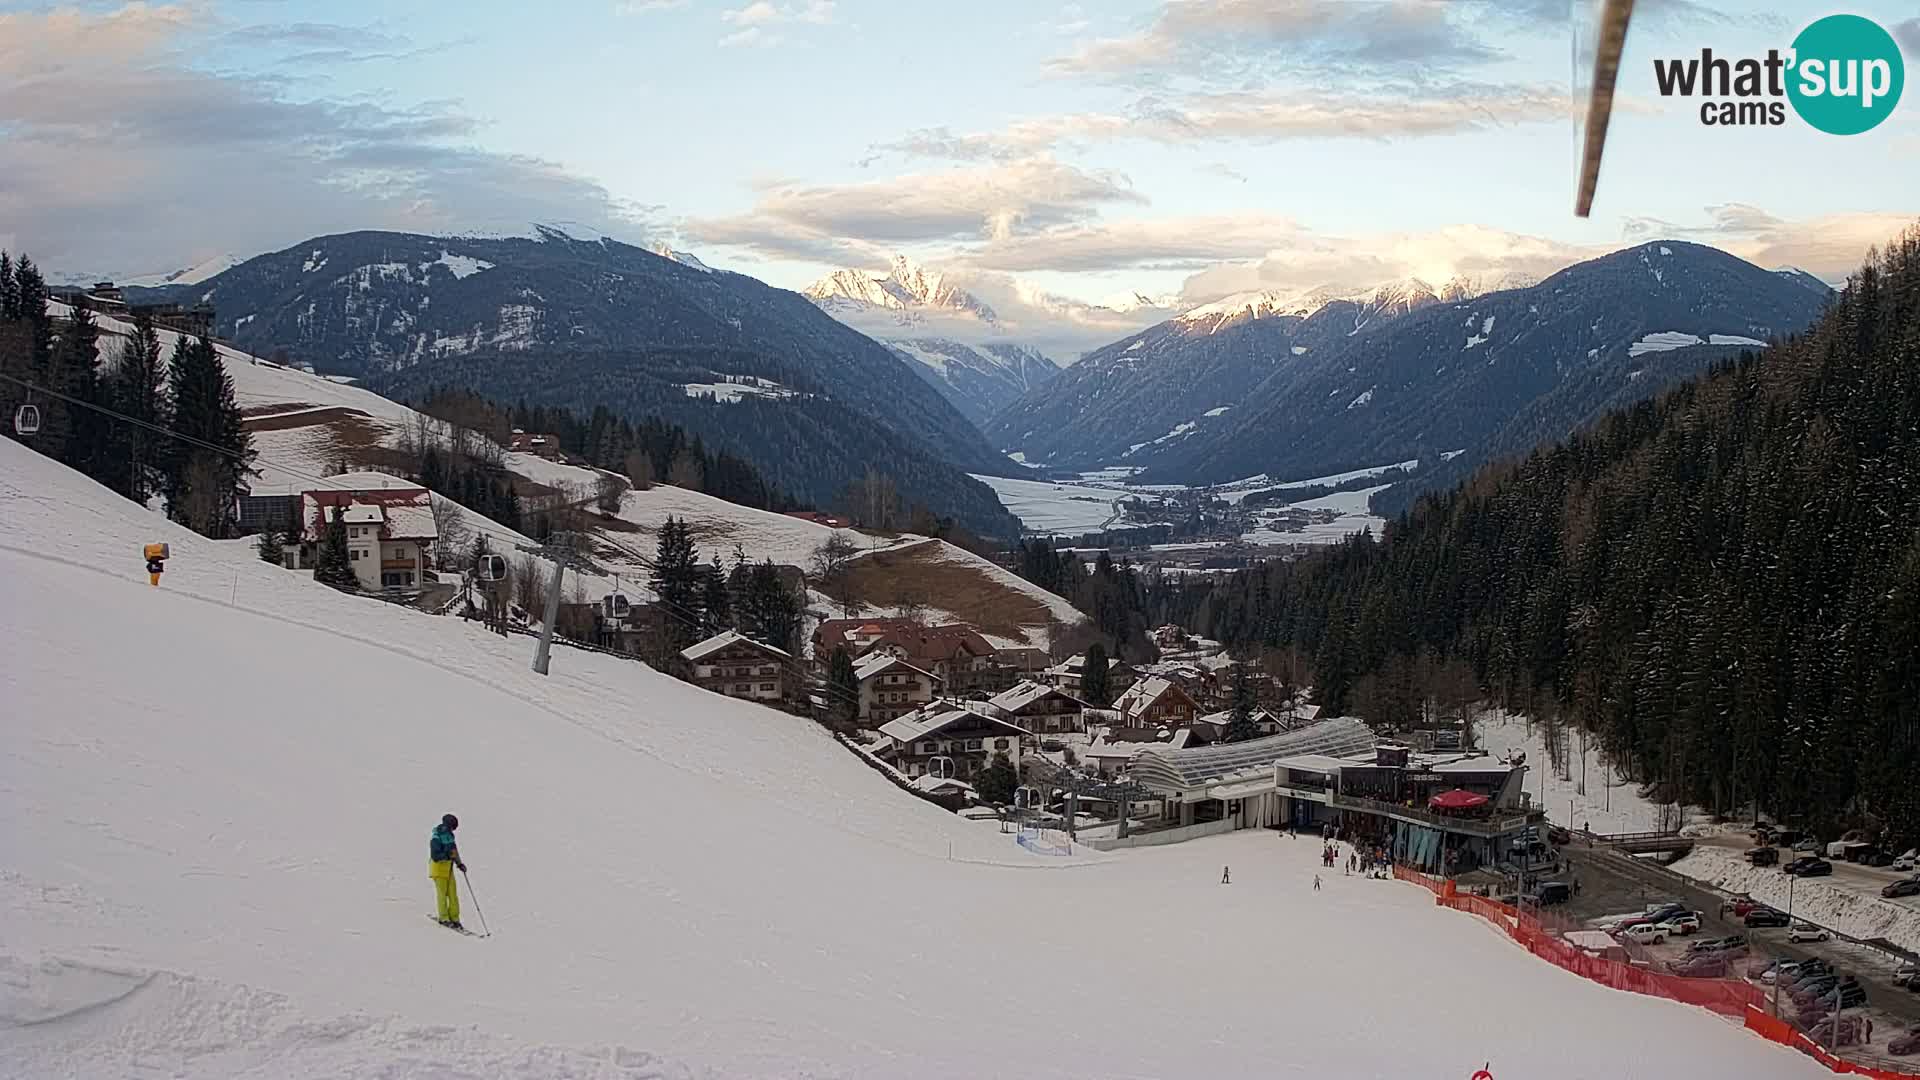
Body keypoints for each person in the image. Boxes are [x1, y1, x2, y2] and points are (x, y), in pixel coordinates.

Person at [430, 813, 467, 929]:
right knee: (442, 894)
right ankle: (444, 918)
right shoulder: (436, 837)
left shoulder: (450, 837)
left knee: (453, 894)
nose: (452, 830)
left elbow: (454, 852)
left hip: (448, 869)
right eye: (452, 827)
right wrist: (447, 856)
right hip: (438, 869)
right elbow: (435, 856)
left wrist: (459, 863)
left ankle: (455, 918)